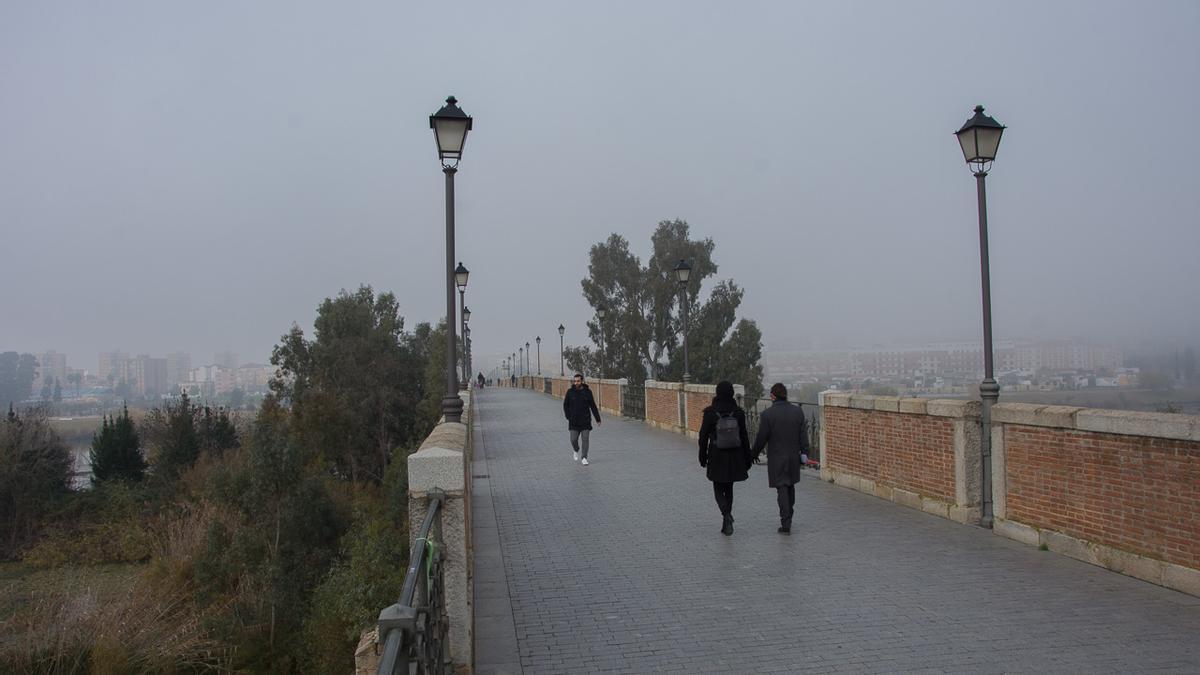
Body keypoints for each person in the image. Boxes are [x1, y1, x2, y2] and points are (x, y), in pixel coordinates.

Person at [751, 383, 810, 534]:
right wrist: (804, 452)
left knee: (782, 488)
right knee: (790, 486)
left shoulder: (768, 415)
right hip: (793, 457)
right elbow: (803, 435)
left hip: (777, 458)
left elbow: (761, 438)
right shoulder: (797, 412)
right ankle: (789, 514)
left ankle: (786, 522)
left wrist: (753, 454)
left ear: (772, 396)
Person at [698, 381, 751, 535]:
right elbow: (744, 437)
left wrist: (702, 457)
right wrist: (748, 458)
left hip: (716, 455)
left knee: (717, 487)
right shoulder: (738, 413)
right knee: (729, 488)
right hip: (735, 456)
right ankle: (726, 519)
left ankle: (726, 516)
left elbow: (703, 438)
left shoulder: (710, 413)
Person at [563, 372, 601, 465]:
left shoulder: (588, 392)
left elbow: (593, 406)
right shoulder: (570, 392)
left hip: (585, 420)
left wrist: (598, 419)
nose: (576, 383)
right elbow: (565, 405)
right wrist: (568, 416)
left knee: (585, 439)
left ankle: (584, 457)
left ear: (582, 381)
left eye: (578, 381)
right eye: (575, 381)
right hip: (574, 421)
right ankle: (576, 449)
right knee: (573, 439)